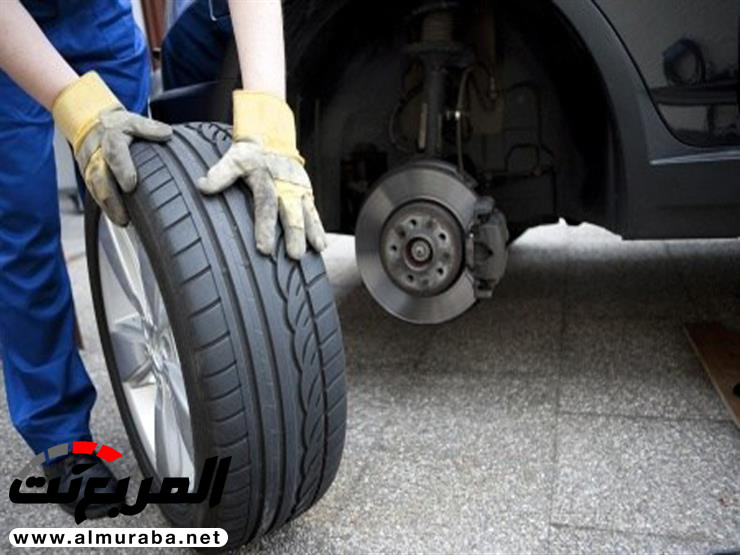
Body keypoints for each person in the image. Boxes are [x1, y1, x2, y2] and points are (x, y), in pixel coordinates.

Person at [0, 0, 326, 517]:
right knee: (22, 235)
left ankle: (184, 379)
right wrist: (72, 105)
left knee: (134, 196)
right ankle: (60, 439)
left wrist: (268, 120)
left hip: (96, 16)